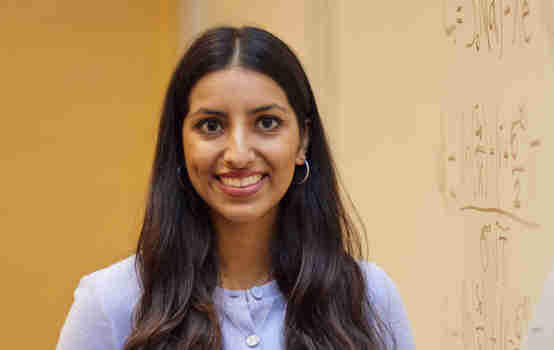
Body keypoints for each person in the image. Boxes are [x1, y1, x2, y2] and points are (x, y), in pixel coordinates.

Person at [56, 26, 415, 350]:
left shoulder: (368, 298)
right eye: (211, 126)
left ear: (303, 140)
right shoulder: (109, 303)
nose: (239, 154)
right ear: (179, 141)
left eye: (267, 123)